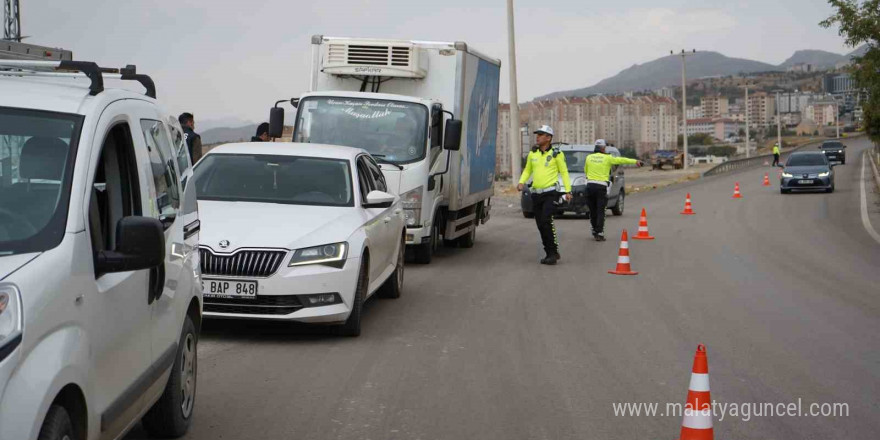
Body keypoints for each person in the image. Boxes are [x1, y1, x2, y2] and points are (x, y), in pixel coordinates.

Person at [517, 125, 572, 265]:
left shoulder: (556, 154)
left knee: (546, 221)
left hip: (550, 194)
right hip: (536, 194)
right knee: (540, 225)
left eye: (541, 134)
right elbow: (527, 170)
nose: (538, 136)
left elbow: (564, 172)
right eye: (537, 134)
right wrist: (521, 182)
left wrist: (568, 190)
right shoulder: (532, 153)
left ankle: (551, 254)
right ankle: (551, 251)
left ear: (548, 138)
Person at [584, 139, 642, 241]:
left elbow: (586, 171)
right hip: (601, 187)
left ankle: (594, 229)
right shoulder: (608, 158)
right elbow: (621, 160)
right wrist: (635, 161)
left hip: (590, 186)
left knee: (592, 210)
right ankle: (600, 232)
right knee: (601, 210)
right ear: (603, 148)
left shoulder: (588, 157)